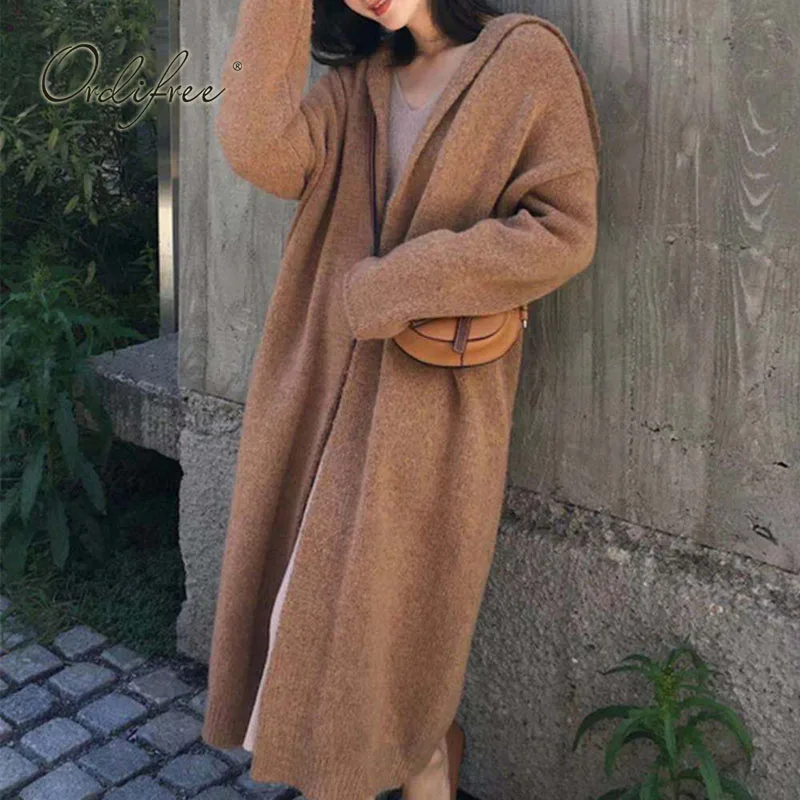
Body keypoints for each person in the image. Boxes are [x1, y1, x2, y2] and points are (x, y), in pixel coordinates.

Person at [201, 0, 601, 797]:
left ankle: (426, 759)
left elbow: (564, 230)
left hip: (432, 408)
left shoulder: (524, 57)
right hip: (317, 395)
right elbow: (258, 149)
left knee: (397, 656)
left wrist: (395, 284)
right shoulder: (357, 86)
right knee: (301, 631)